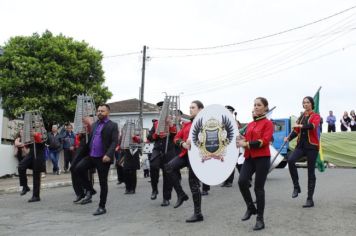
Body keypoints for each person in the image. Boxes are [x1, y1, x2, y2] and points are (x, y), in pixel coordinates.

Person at [236, 97, 273, 231]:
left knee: (259, 188)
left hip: (263, 158)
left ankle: (260, 220)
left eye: (259, 105)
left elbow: (264, 141)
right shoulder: (251, 124)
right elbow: (248, 140)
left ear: (265, 108)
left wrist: (246, 143)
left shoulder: (268, 124)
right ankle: (251, 207)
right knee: (241, 181)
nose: (256, 107)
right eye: (255, 105)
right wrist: (242, 139)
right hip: (249, 157)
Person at [165, 100, 205, 223]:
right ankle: (181, 194)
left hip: (198, 157)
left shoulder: (206, 124)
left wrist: (195, 142)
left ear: (200, 110)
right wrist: (183, 143)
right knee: (169, 167)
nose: (190, 109)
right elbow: (176, 138)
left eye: (193, 107)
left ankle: (198, 214)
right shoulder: (187, 125)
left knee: (193, 184)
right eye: (190, 107)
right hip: (185, 154)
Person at [76, 104, 118, 216]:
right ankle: (91, 189)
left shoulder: (113, 125)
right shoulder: (94, 125)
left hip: (103, 158)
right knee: (78, 169)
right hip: (92, 156)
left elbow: (114, 142)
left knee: (103, 183)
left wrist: (109, 154)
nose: (99, 112)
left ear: (108, 112)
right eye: (98, 111)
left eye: (102, 111)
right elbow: (91, 140)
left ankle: (102, 207)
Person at [285, 96, 321, 209]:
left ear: (311, 104)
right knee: (290, 160)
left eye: (307, 102)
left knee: (311, 172)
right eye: (304, 103)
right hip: (300, 145)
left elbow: (312, 126)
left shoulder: (316, 116)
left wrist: (300, 126)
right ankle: (296, 186)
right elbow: (296, 131)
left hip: (312, 146)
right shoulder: (301, 117)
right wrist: (288, 138)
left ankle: (310, 199)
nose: (305, 104)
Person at [147, 102, 179, 207]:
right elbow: (149, 138)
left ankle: (166, 198)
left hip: (169, 150)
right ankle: (154, 189)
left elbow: (177, 135)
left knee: (167, 174)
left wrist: (171, 125)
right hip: (157, 149)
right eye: (160, 109)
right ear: (159, 111)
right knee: (153, 166)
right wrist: (156, 134)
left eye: (164, 109)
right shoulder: (155, 123)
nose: (162, 111)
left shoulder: (172, 122)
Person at [18, 131, 46, 202]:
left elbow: (41, 141)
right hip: (31, 154)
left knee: (36, 175)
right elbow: (27, 145)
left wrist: (35, 134)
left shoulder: (43, 131)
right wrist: (24, 137)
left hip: (38, 155)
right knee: (21, 166)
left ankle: (36, 196)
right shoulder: (30, 131)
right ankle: (25, 186)